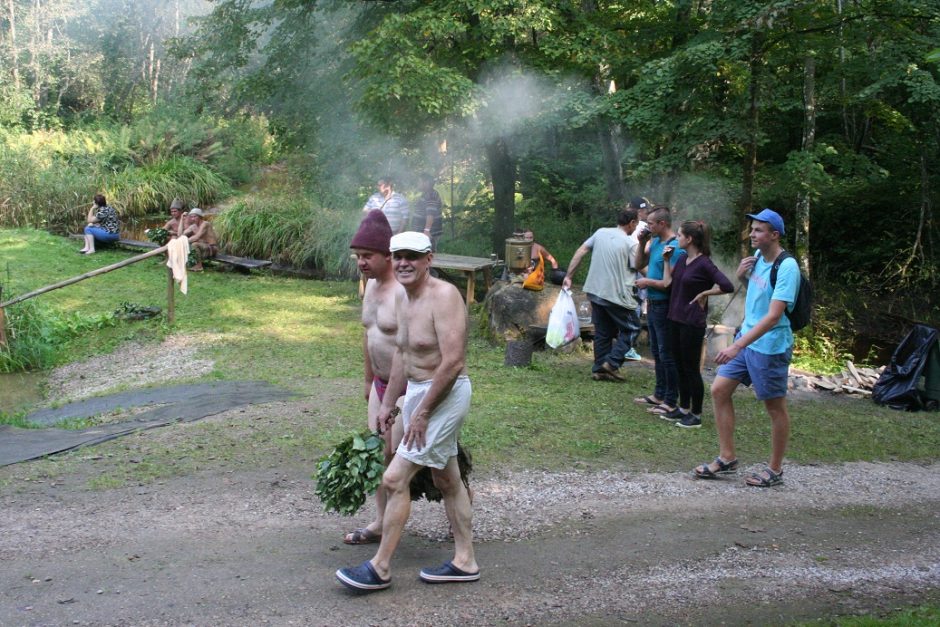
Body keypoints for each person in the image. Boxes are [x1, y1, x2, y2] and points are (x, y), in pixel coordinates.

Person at [336, 231, 478, 592]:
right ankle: (465, 561)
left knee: (394, 478)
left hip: (444, 395)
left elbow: (453, 362)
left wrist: (424, 413)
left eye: (412, 256)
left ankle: (380, 567)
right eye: (398, 255)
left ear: (429, 259)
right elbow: (401, 352)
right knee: (446, 479)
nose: (403, 262)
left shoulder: (444, 296)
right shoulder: (404, 296)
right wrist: (388, 404)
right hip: (416, 393)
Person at [692, 209, 799, 487]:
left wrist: (736, 346)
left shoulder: (787, 267)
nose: (752, 234)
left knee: (774, 407)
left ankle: (775, 470)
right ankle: (727, 457)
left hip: (770, 347)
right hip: (749, 340)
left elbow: (774, 315)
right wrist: (742, 278)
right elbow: (758, 297)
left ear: (774, 235)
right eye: (752, 229)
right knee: (718, 389)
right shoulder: (757, 261)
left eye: (759, 230)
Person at [343, 210, 407, 546]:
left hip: (408, 388)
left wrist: (394, 394)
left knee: (414, 459)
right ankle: (381, 522)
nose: (362, 262)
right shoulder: (369, 288)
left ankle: (458, 507)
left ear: (387, 256)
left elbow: (408, 346)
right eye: (358, 256)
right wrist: (368, 380)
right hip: (380, 386)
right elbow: (369, 335)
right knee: (377, 454)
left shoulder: (402, 291)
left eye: (368, 256)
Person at [660, 220, 734, 426]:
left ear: (690, 239)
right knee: (678, 365)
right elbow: (668, 284)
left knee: (691, 368)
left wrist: (705, 292)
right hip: (674, 318)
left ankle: (697, 414)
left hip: (692, 321)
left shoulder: (705, 263)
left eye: (680, 235)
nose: (676, 237)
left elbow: (727, 285)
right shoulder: (683, 258)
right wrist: (666, 261)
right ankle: (683, 408)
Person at [562, 208, 642, 381]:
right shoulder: (631, 244)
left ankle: (599, 370)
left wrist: (569, 276)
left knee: (603, 332)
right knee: (633, 328)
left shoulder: (600, 233)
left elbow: (580, 251)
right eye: (637, 223)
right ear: (632, 223)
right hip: (617, 296)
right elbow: (641, 267)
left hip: (595, 292)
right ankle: (612, 363)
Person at [633, 206, 685, 413]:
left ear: (662, 224)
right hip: (653, 304)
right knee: (657, 351)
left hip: (665, 305)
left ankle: (671, 400)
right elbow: (637, 263)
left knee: (667, 353)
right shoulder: (654, 242)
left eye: (651, 224)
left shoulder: (675, 247)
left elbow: (669, 283)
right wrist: (642, 242)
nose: (648, 226)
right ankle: (659, 394)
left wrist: (648, 282)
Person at [411, 174, 444, 251]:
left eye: (419, 182)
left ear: (426, 183)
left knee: (427, 255)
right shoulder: (426, 194)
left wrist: (427, 231)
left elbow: (430, 214)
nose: (418, 184)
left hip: (428, 233)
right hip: (422, 233)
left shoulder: (431, 195)